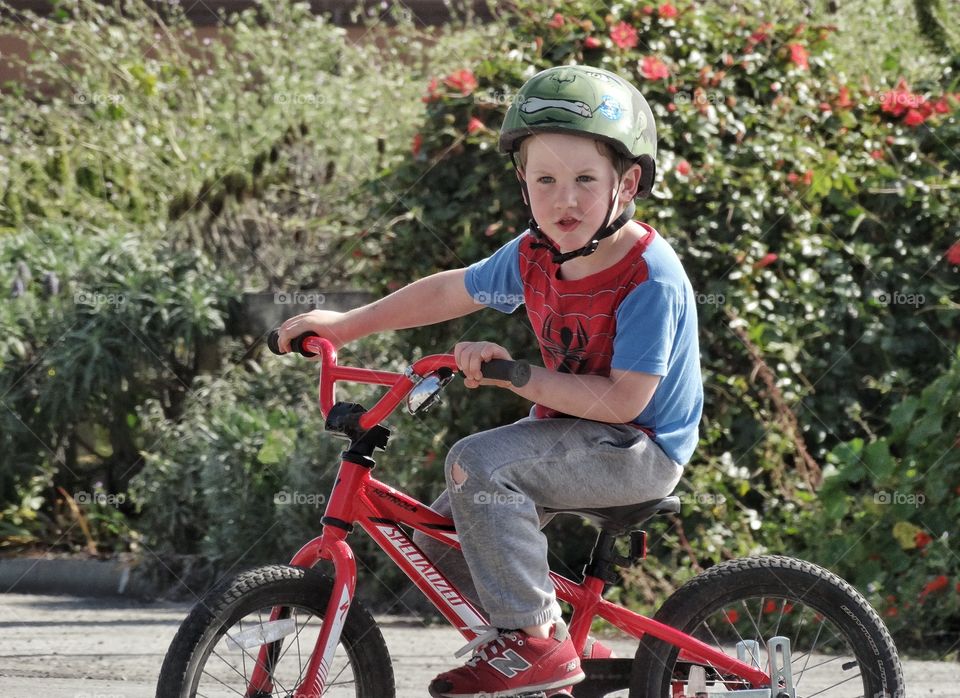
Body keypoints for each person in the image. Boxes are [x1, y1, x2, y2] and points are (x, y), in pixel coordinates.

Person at [277, 64, 703, 698]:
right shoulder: (534, 255)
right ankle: (567, 646)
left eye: (586, 179)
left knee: (478, 464)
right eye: (546, 180)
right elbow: (451, 289)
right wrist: (346, 325)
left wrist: (516, 373)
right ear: (524, 186)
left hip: (637, 448)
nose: (566, 199)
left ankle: (533, 642)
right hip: (574, 436)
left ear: (628, 183)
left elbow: (623, 400)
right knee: (440, 545)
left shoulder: (650, 277)